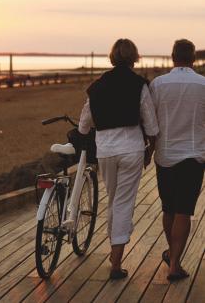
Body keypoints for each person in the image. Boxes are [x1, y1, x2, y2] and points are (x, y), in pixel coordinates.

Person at [79, 38, 159, 279]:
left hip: (105, 150)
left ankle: (115, 251)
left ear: (112, 57)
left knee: (114, 199)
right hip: (131, 149)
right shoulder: (139, 84)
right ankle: (116, 260)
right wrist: (149, 152)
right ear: (134, 57)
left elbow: (84, 123)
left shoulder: (97, 86)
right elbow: (152, 126)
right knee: (123, 202)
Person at [150, 39, 205, 282]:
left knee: (168, 208)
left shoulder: (158, 84)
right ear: (193, 59)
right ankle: (174, 264)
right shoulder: (203, 84)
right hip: (194, 155)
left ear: (173, 57)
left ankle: (173, 257)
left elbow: (150, 120)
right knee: (184, 210)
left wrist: (147, 150)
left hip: (165, 154)